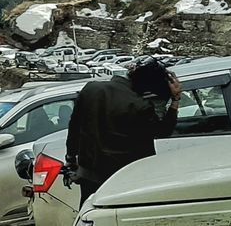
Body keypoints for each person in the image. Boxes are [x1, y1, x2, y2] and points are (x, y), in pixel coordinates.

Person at [65, 56, 183, 207]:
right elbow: (163, 131)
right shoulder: (140, 106)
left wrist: (70, 158)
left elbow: (74, 128)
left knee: (90, 216)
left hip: (90, 177)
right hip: (124, 180)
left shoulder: (91, 89)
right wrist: (175, 100)